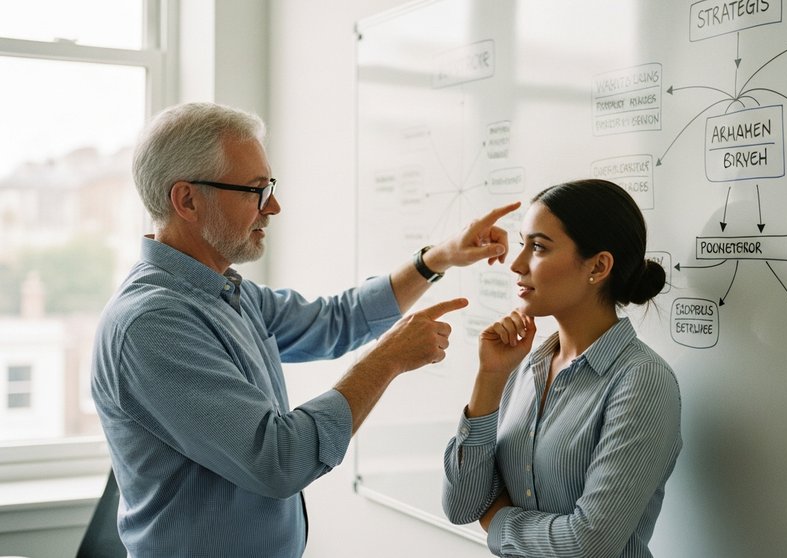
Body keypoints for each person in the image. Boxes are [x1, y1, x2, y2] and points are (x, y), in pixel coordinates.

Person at [91, 101, 518, 557]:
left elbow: (336, 321)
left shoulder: (225, 292)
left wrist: (436, 260)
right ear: (187, 200)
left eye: (269, 186)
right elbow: (279, 460)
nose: (273, 206)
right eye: (255, 190)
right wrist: (389, 358)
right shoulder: (153, 325)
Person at [441, 178, 682, 558]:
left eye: (538, 247)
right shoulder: (523, 367)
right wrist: (489, 378)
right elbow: (461, 505)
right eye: (523, 244)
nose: (517, 264)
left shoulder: (642, 381)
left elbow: (589, 544)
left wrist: (498, 521)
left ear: (599, 266)